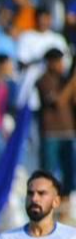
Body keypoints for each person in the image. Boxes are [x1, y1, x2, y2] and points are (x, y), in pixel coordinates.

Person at [38, 48, 76, 194]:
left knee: (69, 171)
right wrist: (73, 80)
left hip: (69, 132)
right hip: (51, 133)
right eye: (59, 61)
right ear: (50, 63)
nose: (62, 65)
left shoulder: (65, 80)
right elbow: (59, 102)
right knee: (49, 171)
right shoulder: (43, 81)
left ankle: (66, 200)